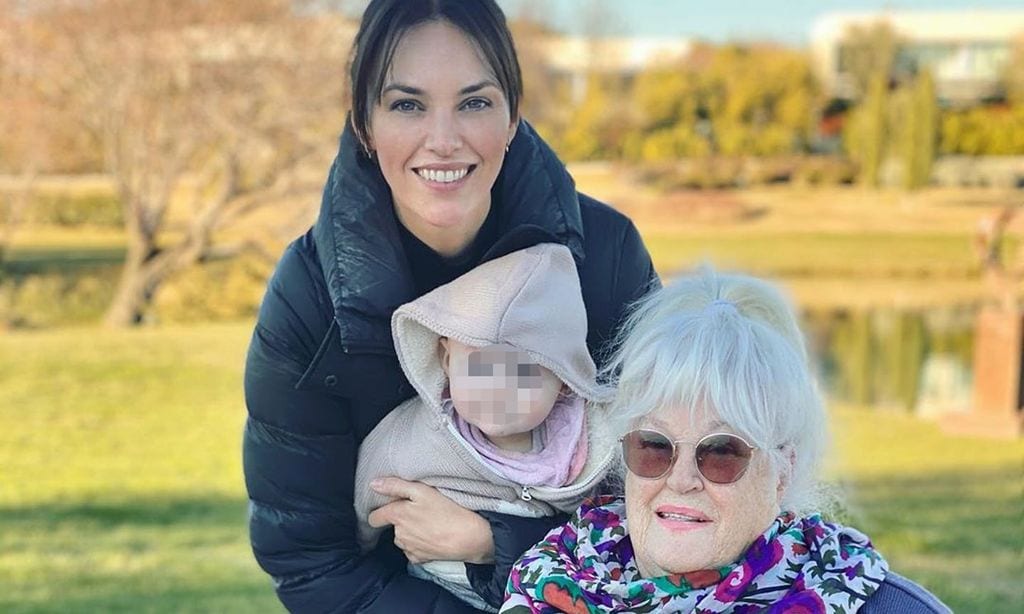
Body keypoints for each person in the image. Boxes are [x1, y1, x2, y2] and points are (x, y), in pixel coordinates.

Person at [241, 0, 658, 611]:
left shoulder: (605, 257)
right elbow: (309, 561)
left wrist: (497, 541)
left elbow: (673, 499)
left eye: (475, 102)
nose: (443, 140)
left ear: (513, 117)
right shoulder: (308, 298)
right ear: (364, 122)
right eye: (407, 104)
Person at [502, 270, 952, 614]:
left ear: (783, 472)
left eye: (720, 452)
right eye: (654, 446)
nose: (681, 480)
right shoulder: (551, 582)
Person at [354, 243, 617, 613]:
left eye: (525, 369)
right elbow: (366, 497)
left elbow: (612, 532)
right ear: (446, 359)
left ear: (563, 378)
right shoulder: (413, 437)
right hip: (437, 595)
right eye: (480, 365)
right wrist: (363, 543)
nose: (499, 386)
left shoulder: (590, 449)